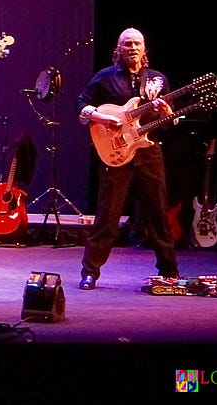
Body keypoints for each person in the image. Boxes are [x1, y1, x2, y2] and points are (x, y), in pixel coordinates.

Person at [76, 27, 180, 290]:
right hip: (116, 155)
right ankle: (90, 272)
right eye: (127, 44)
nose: (132, 48)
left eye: (136, 44)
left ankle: (169, 270)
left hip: (148, 151)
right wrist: (100, 117)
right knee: (107, 217)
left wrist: (167, 113)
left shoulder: (157, 79)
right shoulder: (105, 77)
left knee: (158, 214)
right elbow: (81, 104)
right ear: (118, 49)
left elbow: (169, 122)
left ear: (144, 49)